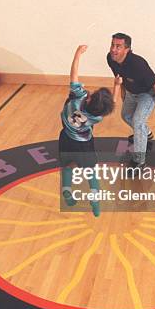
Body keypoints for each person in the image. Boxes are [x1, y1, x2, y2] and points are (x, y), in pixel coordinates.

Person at [59, 45, 122, 216]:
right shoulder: (98, 116)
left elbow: (73, 75)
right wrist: (117, 86)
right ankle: (95, 200)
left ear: (90, 98)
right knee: (91, 172)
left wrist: (77, 54)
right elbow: (113, 104)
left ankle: (66, 190)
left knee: (67, 167)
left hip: (65, 138)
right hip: (84, 146)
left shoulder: (78, 97)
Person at [107, 32, 155, 170]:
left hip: (147, 94)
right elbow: (119, 77)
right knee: (126, 116)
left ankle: (139, 161)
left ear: (127, 49)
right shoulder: (111, 58)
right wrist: (123, 95)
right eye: (112, 45)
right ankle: (146, 134)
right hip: (131, 92)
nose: (113, 49)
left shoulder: (138, 64)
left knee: (138, 121)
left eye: (118, 46)